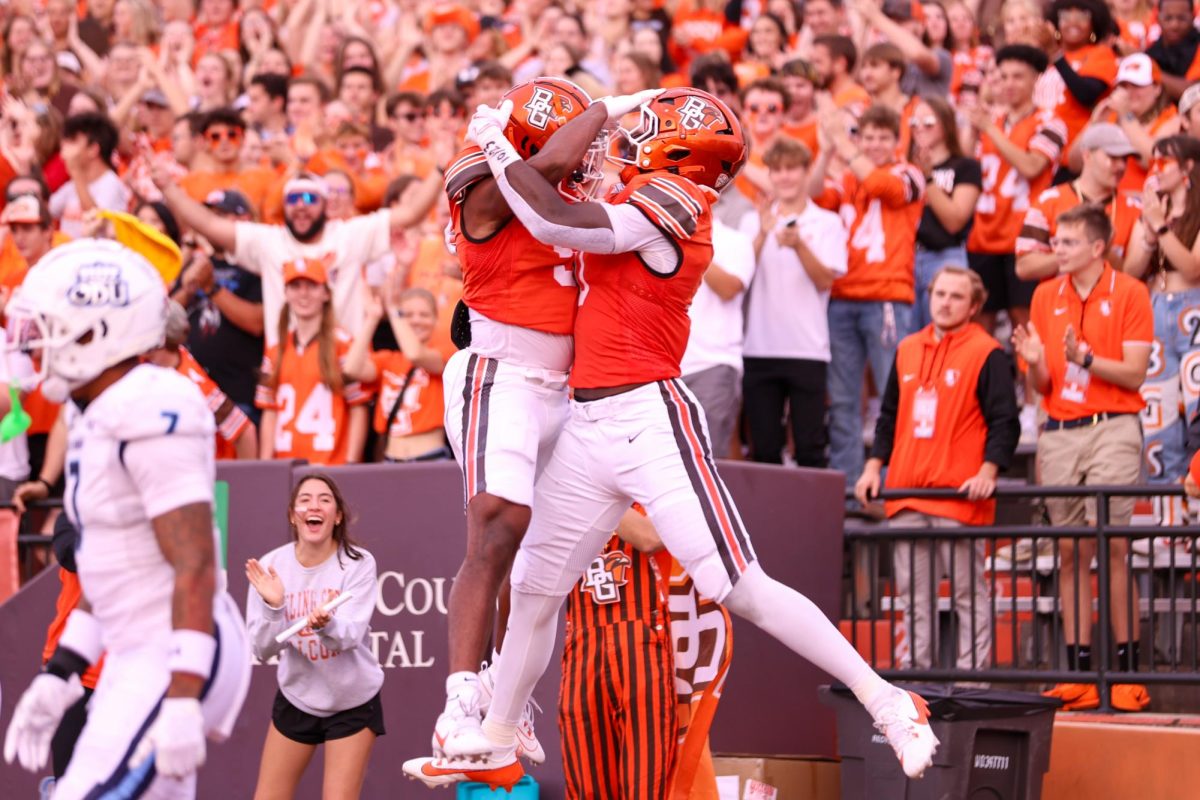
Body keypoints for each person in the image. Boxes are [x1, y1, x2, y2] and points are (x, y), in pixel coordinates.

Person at [405, 87, 937, 789]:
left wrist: (504, 147)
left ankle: (888, 701)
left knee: (738, 584)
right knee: (533, 588)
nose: (626, 146)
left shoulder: (680, 201)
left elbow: (555, 216)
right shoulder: (646, 189)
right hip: (589, 421)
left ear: (677, 151)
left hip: (648, 412)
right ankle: (498, 740)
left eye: (645, 134)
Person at [425, 77, 643, 768]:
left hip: (569, 390)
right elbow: (540, 171)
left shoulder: (568, 196)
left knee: (541, 572)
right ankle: (459, 702)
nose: (584, 161)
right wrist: (607, 107)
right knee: (497, 526)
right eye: (570, 142)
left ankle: (503, 707)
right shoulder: (484, 186)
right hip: (503, 372)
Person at [2, 239, 251, 797]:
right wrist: (63, 671)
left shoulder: (151, 402)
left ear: (97, 331)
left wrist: (184, 697)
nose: (36, 344)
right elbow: (117, 570)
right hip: (136, 645)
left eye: (51, 325)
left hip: (179, 646)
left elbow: (194, 563)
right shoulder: (95, 410)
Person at [1011, 204, 1153, 712]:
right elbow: (1045, 384)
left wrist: (1085, 359)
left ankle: (1124, 671)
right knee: (1071, 551)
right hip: (1059, 430)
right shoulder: (1045, 294)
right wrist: (1033, 365)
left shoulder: (1132, 292)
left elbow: (1136, 374)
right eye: (1056, 241)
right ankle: (1077, 673)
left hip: (1113, 426)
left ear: (1096, 247)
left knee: (1110, 545)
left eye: (1067, 242)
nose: (1056, 250)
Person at [856, 267, 1019, 671]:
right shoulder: (907, 347)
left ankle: (973, 682)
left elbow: (1006, 420)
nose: (945, 302)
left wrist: (988, 471)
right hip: (907, 493)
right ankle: (915, 686)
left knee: (968, 594)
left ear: (975, 305)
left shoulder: (987, 352)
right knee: (913, 598)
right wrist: (873, 466)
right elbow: (888, 415)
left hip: (958, 497)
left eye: (956, 296)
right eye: (940, 293)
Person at [152, 154, 447, 347]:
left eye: (309, 198)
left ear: (325, 205)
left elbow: (410, 214)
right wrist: (168, 188)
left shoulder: (350, 234)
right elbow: (208, 224)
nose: (301, 205)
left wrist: (438, 167)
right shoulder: (268, 240)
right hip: (287, 366)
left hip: (344, 364)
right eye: (292, 199)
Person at [245, 474, 384, 800]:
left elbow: (348, 637)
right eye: (305, 499)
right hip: (298, 697)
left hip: (353, 702)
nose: (314, 505)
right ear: (293, 515)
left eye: (325, 499)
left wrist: (326, 625)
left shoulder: (358, 564)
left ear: (337, 516)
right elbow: (262, 650)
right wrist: (273, 607)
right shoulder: (270, 567)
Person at [811, 104, 925, 498]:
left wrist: (845, 143)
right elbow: (813, 195)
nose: (875, 144)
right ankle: (848, 491)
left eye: (882, 137)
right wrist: (826, 150)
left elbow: (884, 188)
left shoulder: (910, 173)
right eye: (869, 137)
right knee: (842, 399)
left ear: (897, 142)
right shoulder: (846, 176)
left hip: (886, 297)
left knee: (896, 392)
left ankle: (898, 483)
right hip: (842, 297)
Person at [740, 136, 846, 466]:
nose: (785, 177)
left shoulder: (828, 222)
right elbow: (739, 279)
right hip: (759, 348)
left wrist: (799, 245)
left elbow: (826, 280)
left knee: (811, 447)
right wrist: (761, 233)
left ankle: (811, 520)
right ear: (770, 175)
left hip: (808, 348)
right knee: (765, 449)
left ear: (805, 173)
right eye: (778, 170)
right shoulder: (751, 220)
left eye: (792, 169)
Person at [1124, 136, 1200, 521]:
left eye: (1165, 162)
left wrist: (1161, 227)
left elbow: (1192, 268)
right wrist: (1149, 228)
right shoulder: (1155, 210)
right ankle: (1167, 519)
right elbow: (1132, 269)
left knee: (1198, 413)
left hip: (1195, 312)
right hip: (1156, 311)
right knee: (1159, 418)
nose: (1156, 169)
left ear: (1187, 167)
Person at [966, 44, 1066, 334]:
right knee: (978, 321)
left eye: (1018, 77)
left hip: (1025, 236)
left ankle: (1028, 380)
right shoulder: (991, 121)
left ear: (1036, 79)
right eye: (1004, 76)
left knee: (1024, 320)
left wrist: (991, 130)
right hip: (983, 234)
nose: (1009, 84)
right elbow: (965, 161)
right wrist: (974, 128)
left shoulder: (1049, 122)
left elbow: (1032, 166)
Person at [256, 258, 370, 465]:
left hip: (331, 464)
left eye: (312, 286)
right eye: (295, 286)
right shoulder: (275, 350)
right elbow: (269, 410)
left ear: (326, 293)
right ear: (286, 293)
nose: (303, 293)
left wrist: (351, 462)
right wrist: (266, 464)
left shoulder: (343, 346)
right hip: (285, 465)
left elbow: (358, 407)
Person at [1016, 123, 1142, 281]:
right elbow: (1024, 267)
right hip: (1060, 302)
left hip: (1111, 303)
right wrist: (1075, 252)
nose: (1121, 166)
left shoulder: (1135, 208)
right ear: (1087, 155)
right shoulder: (1049, 200)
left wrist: (1101, 251)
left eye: (1124, 159)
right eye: (1113, 157)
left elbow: (1134, 276)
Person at [345, 288, 454, 463]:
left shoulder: (446, 355)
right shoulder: (388, 360)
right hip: (390, 459)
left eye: (424, 315)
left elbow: (415, 354)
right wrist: (372, 317)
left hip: (431, 458)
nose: (416, 320)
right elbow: (351, 368)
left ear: (435, 320)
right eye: (408, 314)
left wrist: (395, 311)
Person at [910, 95, 982, 331]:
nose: (920, 129)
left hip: (945, 257)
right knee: (909, 341)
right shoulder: (905, 167)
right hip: (907, 258)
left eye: (928, 122)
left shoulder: (965, 166)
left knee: (943, 335)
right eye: (914, 123)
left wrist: (928, 178)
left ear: (946, 123)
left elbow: (955, 220)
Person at [48, 112, 131, 239]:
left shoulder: (111, 184)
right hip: (68, 256)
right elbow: (48, 211)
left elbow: (97, 221)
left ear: (93, 149)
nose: (64, 150)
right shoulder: (72, 185)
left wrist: (76, 173)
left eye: (72, 141)